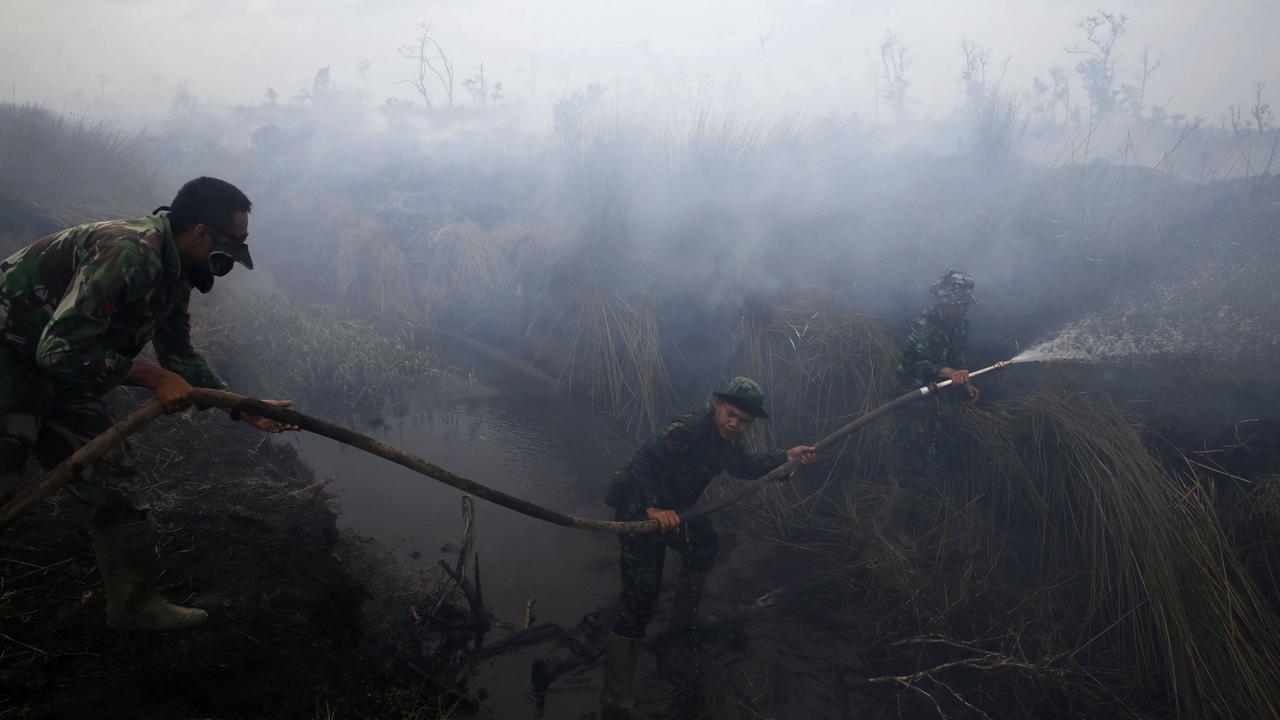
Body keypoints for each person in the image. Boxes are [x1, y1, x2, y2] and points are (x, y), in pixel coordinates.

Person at [0, 176, 295, 630]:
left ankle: (134, 609)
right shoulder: (128, 252)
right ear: (201, 233)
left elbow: (178, 353)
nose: (231, 261)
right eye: (232, 246)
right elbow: (57, 349)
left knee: (116, 486)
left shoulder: (175, 271)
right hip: (11, 356)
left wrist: (241, 405)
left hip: (61, 370)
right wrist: (154, 378)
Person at [600, 377, 816, 717]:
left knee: (703, 545)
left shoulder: (729, 441)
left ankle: (682, 621)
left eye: (744, 421)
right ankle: (615, 698)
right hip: (640, 510)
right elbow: (642, 461)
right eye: (731, 414)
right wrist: (652, 507)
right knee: (639, 603)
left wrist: (785, 459)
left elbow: (745, 467)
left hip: (678, 512)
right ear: (717, 405)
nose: (735, 424)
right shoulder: (687, 430)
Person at [882, 268, 979, 547]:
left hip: (941, 396)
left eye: (964, 303)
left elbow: (957, 356)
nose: (961, 308)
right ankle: (891, 528)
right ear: (943, 300)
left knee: (941, 447)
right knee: (911, 458)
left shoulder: (961, 324)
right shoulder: (924, 325)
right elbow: (915, 362)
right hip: (911, 397)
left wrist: (964, 382)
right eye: (957, 302)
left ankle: (925, 504)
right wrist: (948, 371)